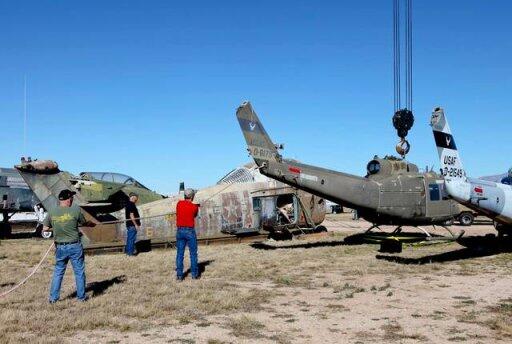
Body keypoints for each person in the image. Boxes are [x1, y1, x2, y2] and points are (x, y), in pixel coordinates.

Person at [43, 189, 94, 303]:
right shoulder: (75, 210)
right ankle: (81, 298)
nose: (72, 199)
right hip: (74, 246)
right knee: (79, 272)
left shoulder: (52, 212)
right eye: (72, 198)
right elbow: (84, 222)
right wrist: (90, 224)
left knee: (58, 272)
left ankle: (53, 299)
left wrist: (57, 227)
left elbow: (45, 229)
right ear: (68, 199)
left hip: (60, 247)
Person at [175, 188, 200, 280]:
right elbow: (194, 215)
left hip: (180, 231)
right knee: (193, 254)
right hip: (189, 231)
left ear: (184, 195)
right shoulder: (194, 207)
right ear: (192, 196)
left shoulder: (179, 204)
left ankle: (179, 275)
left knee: (180, 254)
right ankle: (194, 275)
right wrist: (196, 206)